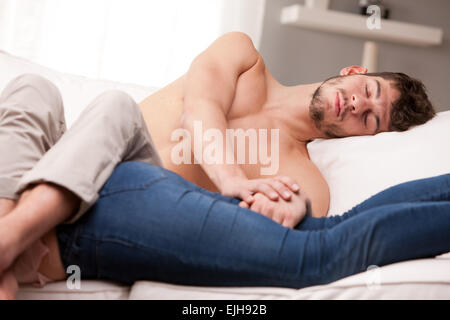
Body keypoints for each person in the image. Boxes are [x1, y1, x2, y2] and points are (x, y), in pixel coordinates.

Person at [0, 32, 439, 299]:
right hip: (64, 161)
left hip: (119, 202)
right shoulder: (242, 55)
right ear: (354, 70)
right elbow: (200, 111)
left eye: (369, 119)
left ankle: (10, 234)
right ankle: (11, 231)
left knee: (114, 106)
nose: (358, 103)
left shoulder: (308, 181)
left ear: (364, 139)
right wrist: (232, 179)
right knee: (36, 89)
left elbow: (252, 239)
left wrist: (281, 211)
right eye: (369, 90)